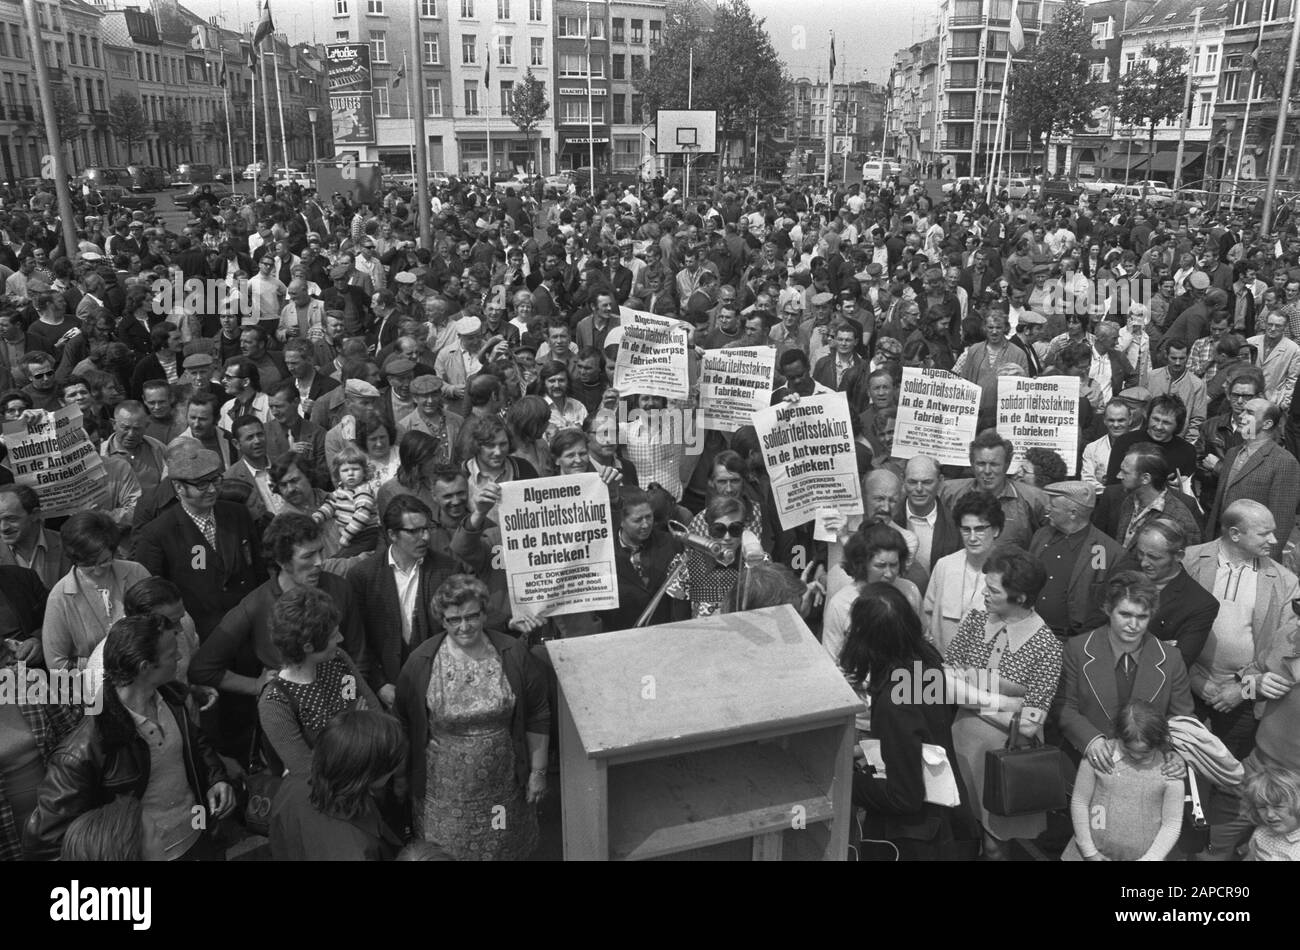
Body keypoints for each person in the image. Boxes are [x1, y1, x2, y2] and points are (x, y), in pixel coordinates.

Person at [24, 614, 235, 860]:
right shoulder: (81, 752)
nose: (179, 657)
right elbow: (48, 843)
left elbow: (195, 742)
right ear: (145, 667)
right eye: (170, 654)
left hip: (198, 840)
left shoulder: (173, 699)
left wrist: (215, 778)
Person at [394, 575, 549, 860]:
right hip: (442, 797)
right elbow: (403, 722)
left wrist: (538, 772)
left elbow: (537, 714)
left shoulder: (512, 653)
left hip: (504, 787)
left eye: (472, 616)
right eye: (454, 619)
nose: (464, 626)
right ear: (442, 620)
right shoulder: (421, 661)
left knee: (505, 849)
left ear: (485, 614)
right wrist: (402, 777)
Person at [842, 583, 978, 861]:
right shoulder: (924, 666)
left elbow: (903, 795)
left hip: (915, 841)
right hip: (947, 825)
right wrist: (868, 750)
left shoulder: (895, 703)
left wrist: (847, 780)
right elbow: (923, 738)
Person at [945, 548, 1063, 860]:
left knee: (995, 846)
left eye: (994, 590)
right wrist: (1006, 701)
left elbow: (1029, 723)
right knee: (958, 838)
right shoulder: (975, 620)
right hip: (959, 749)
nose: (984, 593)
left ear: (1021, 597)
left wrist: (968, 690)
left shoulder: (1047, 647)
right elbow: (944, 678)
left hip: (1007, 761)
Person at [349, 493, 493, 708]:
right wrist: (379, 685)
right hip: (388, 687)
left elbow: (457, 631)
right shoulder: (363, 575)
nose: (424, 537)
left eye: (427, 528)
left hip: (440, 685)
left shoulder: (447, 569)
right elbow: (358, 641)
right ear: (392, 535)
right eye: (414, 531)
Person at [1058, 572, 1195, 771]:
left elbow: (1183, 717)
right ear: (1107, 610)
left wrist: (1178, 752)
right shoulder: (1077, 649)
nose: (1133, 625)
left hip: (1147, 770)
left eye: (1142, 617)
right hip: (1085, 766)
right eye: (1125, 615)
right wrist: (1091, 740)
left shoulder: (1171, 658)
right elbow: (1064, 706)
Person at [131, 443, 265, 641]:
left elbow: (258, 570)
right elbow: (154, 596)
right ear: (179, 487)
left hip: (247, 627)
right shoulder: (158, 533)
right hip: (200, 636)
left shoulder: (237, 514)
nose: (211, 490)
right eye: (201, 484)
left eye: (215, 480)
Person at [258, 585, 379, 776]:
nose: (341, 638)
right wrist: (357, 730)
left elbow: (376, 716)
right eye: (333, 636)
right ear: (308, 646)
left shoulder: (338, 659)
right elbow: (310, 773)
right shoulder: (275, 703)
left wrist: (334, 744)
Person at [269, 709, 405, 861]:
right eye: (393, 762)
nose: (396, 767)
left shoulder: (293, 784)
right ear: (367, 774)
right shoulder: (356, 850)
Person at [1061, 701, 1184, 862]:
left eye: (1146, 753)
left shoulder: (1169, 771)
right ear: (1118, 736)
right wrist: (1088, 850)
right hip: (1085, 856)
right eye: (1129, 750)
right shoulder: (1099, 757)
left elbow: (1172, 824)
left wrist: (1151, 859)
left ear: (1160, 741)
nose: (1137, 756)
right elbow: (1080, 802)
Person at [41, 512, 152, 671]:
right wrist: (105, 665)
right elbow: (57, 663)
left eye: (105, 561)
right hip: (93, 689)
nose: (98, 570)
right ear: (74, 558)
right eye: (88, 564)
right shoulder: (60, 597)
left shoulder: (136, 572)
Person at [1028, 481, 1123, 640]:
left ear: (1073, 513)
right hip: (1029, 632)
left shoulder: (1106, 550)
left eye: (1053, 506)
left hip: (1071, 641)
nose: (1047, 509)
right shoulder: (1041, 536)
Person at [1206, 397, 1300, 559]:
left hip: (1253, 554)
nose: (1241, 416)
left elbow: (1282, 520)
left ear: (1267, 424)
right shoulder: (1232, 453)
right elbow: (1219, 504)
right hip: (1221, 546)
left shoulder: (1284, 461)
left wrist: (1265, 563)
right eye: (1242, 411)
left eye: (1249, 413)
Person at [824, 522, 923, 668]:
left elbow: (923, 641)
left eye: (894, 565)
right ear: (862, 564)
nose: (889, 574)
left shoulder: (910, 592)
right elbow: (831, 660)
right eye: (880, 566)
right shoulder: (840, 604)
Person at [1129, 519, 1221, 669]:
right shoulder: (1126, 574)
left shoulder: (1200, 604)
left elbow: (1177, 664)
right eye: (1140, 554)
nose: (1144, 563)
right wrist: (1155, 647)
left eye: (1154, 557)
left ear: (1178, 556)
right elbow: (1096, 630)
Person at [922, 491, 1003, 656]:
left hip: (986, 672)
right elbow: (928, 614)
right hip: (942, 666)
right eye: (966, 530)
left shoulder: (1009, 571)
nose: (972, 537)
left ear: (995, 530)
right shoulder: (945, 566)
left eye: (979, 529)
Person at [939, 430, 1046, 550]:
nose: (987, 471)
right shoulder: (948, 492)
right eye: (981, 464)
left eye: (994, 464)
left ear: (1007, 465)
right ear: (972, 464)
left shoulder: (1033, 499)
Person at [1242, 765, 1300, 861]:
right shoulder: (1261, 832)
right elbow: (1250, 857)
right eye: (1262, 807)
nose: (1270, 815)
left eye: (1278, 807)